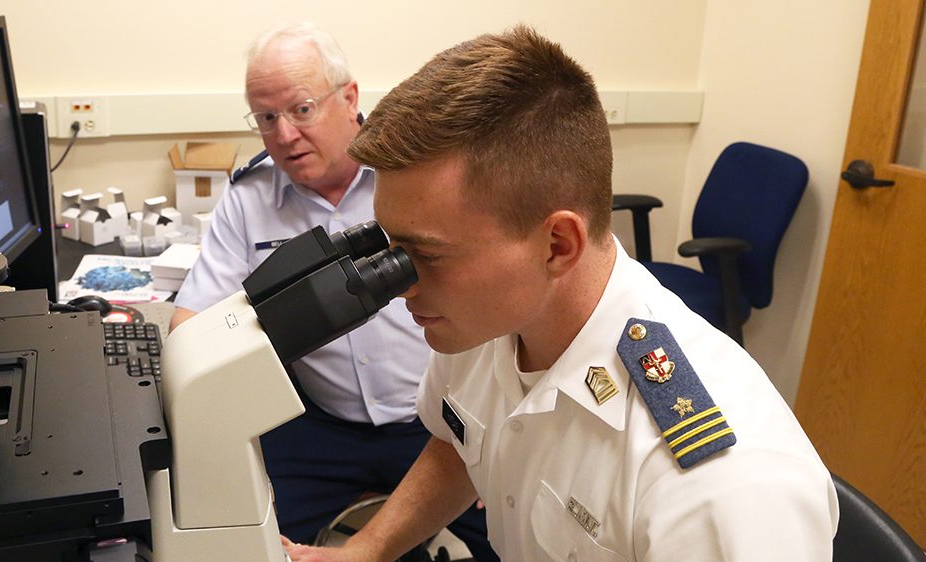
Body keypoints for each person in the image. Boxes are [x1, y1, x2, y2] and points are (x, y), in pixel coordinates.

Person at [285, 25, 840, 562]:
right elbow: (461, 441)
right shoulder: (486, 321)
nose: (401, 283)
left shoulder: (718, 489)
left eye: (426, 256)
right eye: (393, 249)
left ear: (556, 244)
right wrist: (364, 550)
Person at [171, 22, 496, 560]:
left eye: (301, 109)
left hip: (442, 413)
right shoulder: (249, 197)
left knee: (513, 527)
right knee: (251, 541)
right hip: (318, 424)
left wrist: (494, 428)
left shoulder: (421, 174)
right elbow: (193, 325)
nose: (285, 135)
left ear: (349, 99)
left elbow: (498, 304)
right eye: (267, 118)